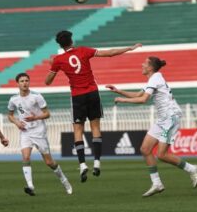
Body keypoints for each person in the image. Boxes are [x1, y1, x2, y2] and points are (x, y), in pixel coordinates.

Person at [45, 30, 142, 182]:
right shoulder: (83, 50)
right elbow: (109, 53)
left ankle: (83, 164)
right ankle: (97, 162)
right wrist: (129, 48)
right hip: (92, 93)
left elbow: (48, 81)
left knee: (78, 129)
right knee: (95, 127)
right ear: (71, 40)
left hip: (77, 96)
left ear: (59, 44)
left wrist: (53, 67)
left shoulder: (58, 59)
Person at [106, 56, 197, 197]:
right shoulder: (154, 79)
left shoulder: (155, 78)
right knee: (145, 149)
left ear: (150, 67)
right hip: (163, 119)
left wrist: (122, 100)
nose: (142, 65)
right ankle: (157, 184)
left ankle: (192, 169)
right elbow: (138, 94)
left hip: (170, 117)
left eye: (145, 63)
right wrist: (118, 91)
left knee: (161, 155)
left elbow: (143, 99)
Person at [8, 73, 72, 196]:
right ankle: (30, 186)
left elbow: (47, 114)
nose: (25, 83)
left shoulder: (37, 96)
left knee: (49, 162)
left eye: (27, 80)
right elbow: (10, 115)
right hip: (25, 132)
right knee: (26, 157)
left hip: (38, 131)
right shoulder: (13, 99)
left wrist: (35, 117)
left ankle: (64, 180)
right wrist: (17, 122)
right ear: (18, 83)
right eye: (22, 81)